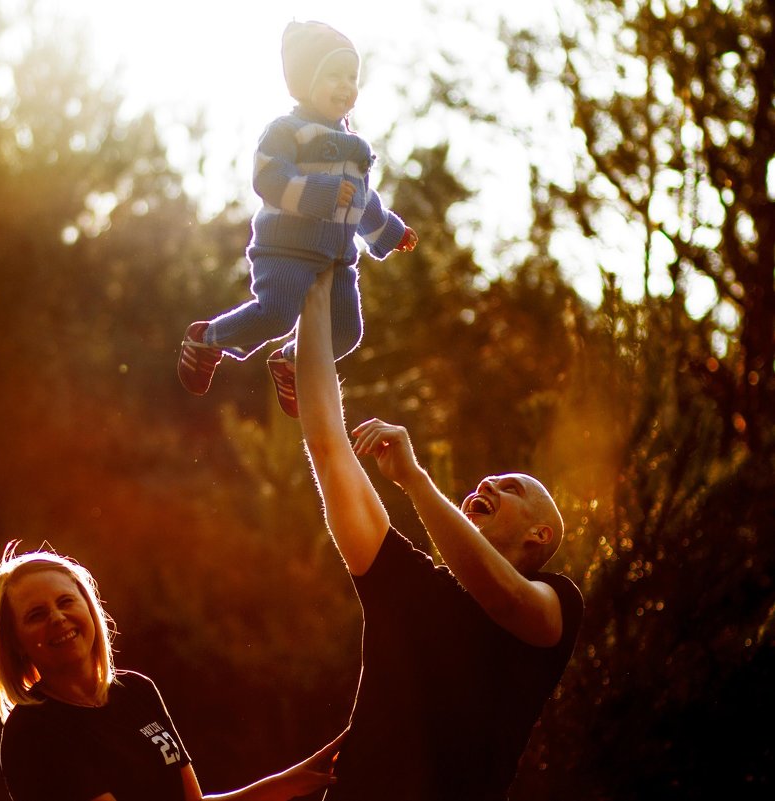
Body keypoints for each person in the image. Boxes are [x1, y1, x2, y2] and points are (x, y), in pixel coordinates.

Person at [294, 268, 583, 800]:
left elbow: (504, 598)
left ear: (540, 535)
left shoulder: (556, 604)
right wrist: (315, 277)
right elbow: (328, 444)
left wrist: (415, 481)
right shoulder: (407, 584)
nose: (489, 481)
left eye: (512, 487)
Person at [177, 20, 417, 419]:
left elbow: (361, 199)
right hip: (286, 248)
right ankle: (207, 339)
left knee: (347, 332)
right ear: (305, 82)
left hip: (337, 257)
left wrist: (389, 231)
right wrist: (319, 195)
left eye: (352, 76)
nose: (346, 85)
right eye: (333, 76)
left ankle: (289, 362)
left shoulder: (356, 147)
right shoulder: (287, 130)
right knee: (276, 313)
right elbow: (268, 177)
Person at [0, 543, 346, 801]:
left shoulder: (138, 692)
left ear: (88, 607)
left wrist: (287, 784)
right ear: (14, 642)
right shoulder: (32, 733)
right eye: (36, 615)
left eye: (65, 602)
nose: (58, 619)